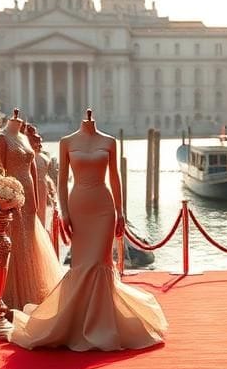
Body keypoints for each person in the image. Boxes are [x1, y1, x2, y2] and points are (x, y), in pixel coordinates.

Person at [10, 109, 167, 351]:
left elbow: (115, 178)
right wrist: (63, 212)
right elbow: (62, 181)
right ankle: (77, 322)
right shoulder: (67, 142)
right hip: (79, 205)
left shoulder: (109, 141)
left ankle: (102, 324)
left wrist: (120, 212)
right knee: (82, 264)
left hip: (104, 207)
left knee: (100, 263)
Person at [0, 110, 64, 309]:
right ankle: (14, 293)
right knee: (17, 241)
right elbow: (0, 170)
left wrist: (34, 197)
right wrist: (6, 197)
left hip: (28, 194)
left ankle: (33, 286)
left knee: (31, 239)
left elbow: (33, 169)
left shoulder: (25, 138)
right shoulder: (2, 137)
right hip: (12, 194)